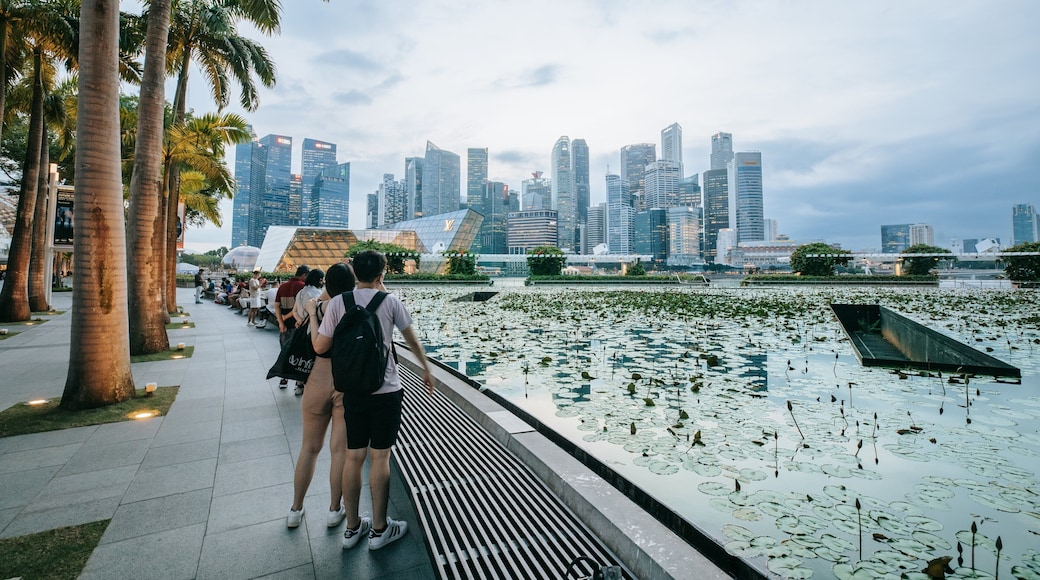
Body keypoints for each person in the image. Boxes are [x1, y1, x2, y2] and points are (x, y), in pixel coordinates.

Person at [309, 250, 434, 551]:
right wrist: (426, 369)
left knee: (354, 458)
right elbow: (411, 340)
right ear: (382, 273)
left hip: (352, 391)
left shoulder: (338, 302)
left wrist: (314, 315)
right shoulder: (390, 301)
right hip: (387, 390)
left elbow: (319, 346)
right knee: (381, 457)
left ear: (354, 273)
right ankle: (380, 530)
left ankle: (352, 528)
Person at [286, 263, 353, 530]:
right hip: (344, 384)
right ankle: (335, 509)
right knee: (340, 452)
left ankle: (295, 508)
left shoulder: (317, 304)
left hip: (316, 380)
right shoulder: (351, 308)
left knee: (309, 448)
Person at [288, 269, 325, 395]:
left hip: (301, 329)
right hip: (313, 330)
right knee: (312, 358)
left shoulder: (301, 292)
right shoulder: (317, 293)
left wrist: (300, 321)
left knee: (302, 356)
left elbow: (294, 311)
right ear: (320, 280)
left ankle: (299, 384)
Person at [274, 265, 310, 389]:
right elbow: (298, 307)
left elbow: (276, 305)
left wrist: (281, 322)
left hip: (284, 327)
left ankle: (283, 379)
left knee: (284, 351)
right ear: (304, 274)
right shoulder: (302, 287)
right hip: (297, 325)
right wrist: (286, 318)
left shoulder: (282, 286)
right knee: (298, 353)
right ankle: (298, 382)